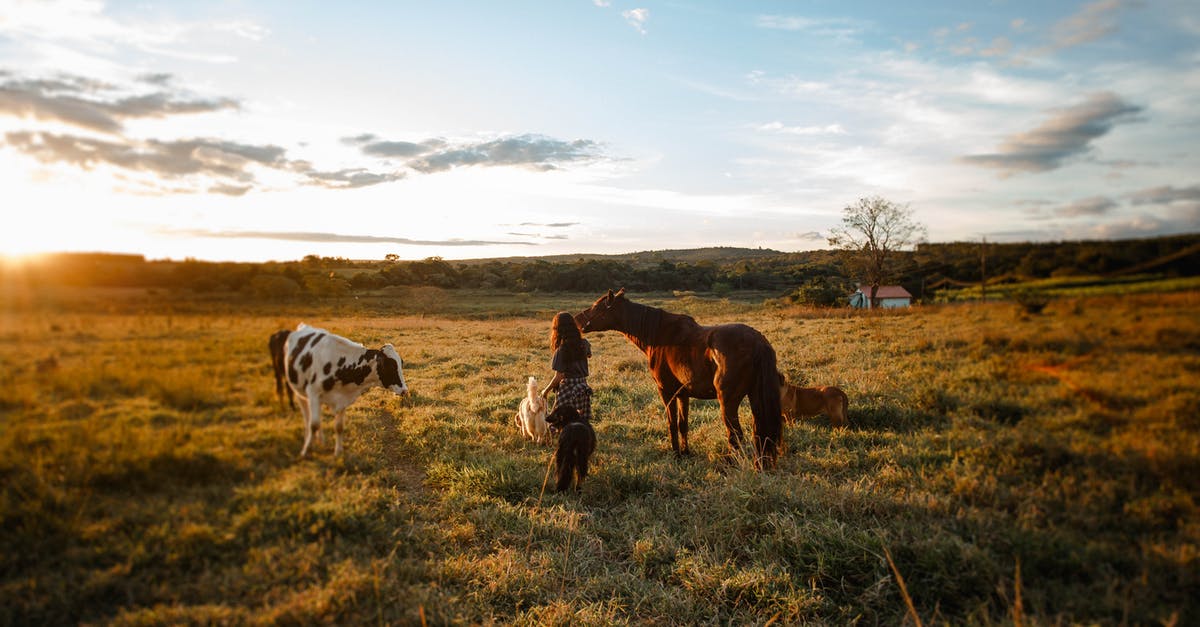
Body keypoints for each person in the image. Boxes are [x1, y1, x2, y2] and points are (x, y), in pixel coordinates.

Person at [541, 311, 593, 422]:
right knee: (580, 419)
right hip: (582, 387)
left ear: (558, 330)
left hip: (568, 388)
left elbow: (559, 376)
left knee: (558, 421)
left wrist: (545, 391)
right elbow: (589, 355)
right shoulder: (584, 343)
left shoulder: (561, 350)